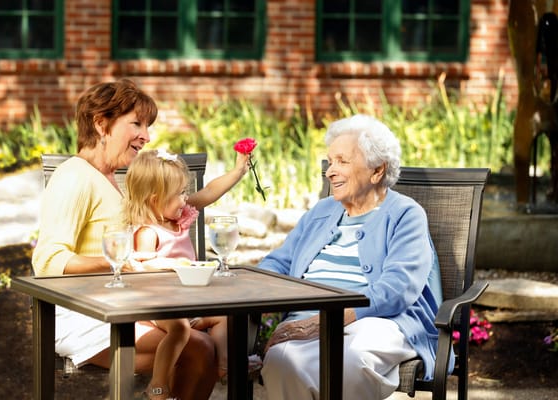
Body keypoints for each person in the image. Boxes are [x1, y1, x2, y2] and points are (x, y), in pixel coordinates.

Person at [32, 79, 217, 400]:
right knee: (197, 348)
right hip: (84, 315)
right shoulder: (74, 177)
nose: (147, 135)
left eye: (148, 125)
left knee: (210, 336)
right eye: (137, 123)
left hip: (122, 304)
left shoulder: (108, 178)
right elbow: (48, 261)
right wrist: (120, 263)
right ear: (101, 124)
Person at [257, 114, 446, 400]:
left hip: (380, 321)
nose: (330, 171)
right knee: (281, 360)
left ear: (377, 171)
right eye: (330, 161)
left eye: (342, 161)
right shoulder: (321, 212)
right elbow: (278, 264)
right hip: (308, 316)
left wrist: (328, 320)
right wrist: (245, 285)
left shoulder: (405, 214)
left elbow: (398, 288)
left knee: (352, 359)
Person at [122, 148, 249, 398]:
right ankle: (158, 387)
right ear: (154, 200)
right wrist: (175, 265)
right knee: (179, 329)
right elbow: (140, 268)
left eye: (185, 192)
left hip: (187, 302)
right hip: (158, 306)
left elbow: (210, 192)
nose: (185, 199)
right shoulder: (148, 232)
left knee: (226, 316)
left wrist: (238, 172)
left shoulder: (179, 214)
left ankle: (224, 365)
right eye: (179, 194)